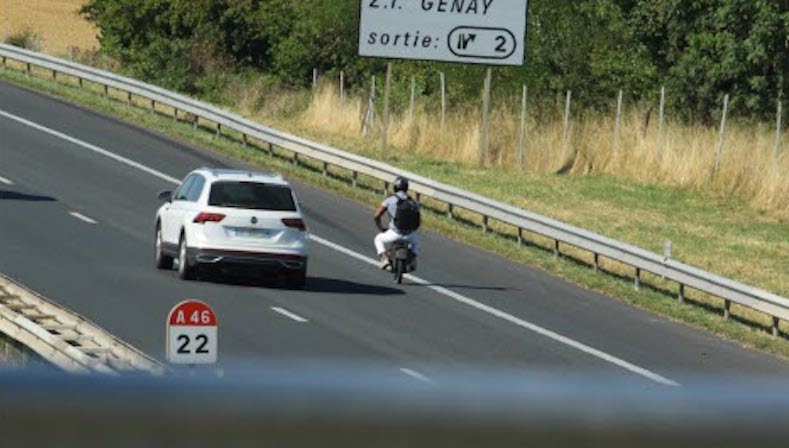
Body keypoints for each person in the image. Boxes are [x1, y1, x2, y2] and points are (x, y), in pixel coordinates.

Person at [373, 176, 421, 269]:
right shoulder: (414, 202)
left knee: (378, 239)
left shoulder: (390, 200)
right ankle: (411, 261)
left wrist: (381, 227)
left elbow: (376, 215)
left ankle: (384, 259)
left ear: (395, 187)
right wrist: (412, 230)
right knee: (416, 245)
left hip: (394, 233)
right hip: (409, 235)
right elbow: (418, 221)